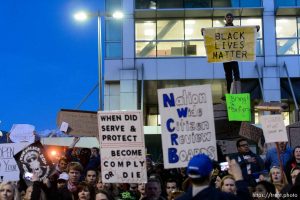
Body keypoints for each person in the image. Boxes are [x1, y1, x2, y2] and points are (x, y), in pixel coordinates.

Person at [201, 13, 260, 94]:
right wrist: (204, 32)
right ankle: (229, 92)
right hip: (225, 56)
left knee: (236, 74)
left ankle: (238, 92)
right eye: (227, 17)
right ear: (225, 19)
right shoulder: (220, 30)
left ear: (233, 19)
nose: (229, 18)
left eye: (230, 17)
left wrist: (255, 29)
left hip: (234, 55)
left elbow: (247, 34)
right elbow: (212, 36)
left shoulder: (236, 29)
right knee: (228, 75)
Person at [176, 154, 250, 199]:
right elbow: (244, 197)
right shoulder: (222, 197)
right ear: (209, 174)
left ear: (189, 176)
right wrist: (238, 176)